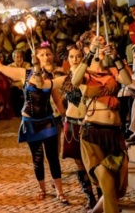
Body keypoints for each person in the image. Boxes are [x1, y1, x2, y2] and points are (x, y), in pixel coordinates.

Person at [0, 42, 69, 204]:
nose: (46, 57)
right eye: (42, 54)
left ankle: (59, 191)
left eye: (48, 54)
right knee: (37, 157)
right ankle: (42, 189)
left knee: (53, 157)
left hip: (47, 120)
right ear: (35, 57)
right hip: (30, 121)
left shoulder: (53, 76)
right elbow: (1, 67)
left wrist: (66, 119)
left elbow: (57, 100)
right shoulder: (24, 73)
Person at [72, 32, 132, 213]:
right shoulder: (84, 71)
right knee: (105, 180)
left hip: (114, 133)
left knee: (115, 188)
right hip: (93, 134)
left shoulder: (113, 71)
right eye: (96, 43)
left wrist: (116, 57)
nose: (101, 46)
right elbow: (73, 82)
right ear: (86, 48)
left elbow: (129, 81)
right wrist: (90, 54)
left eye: (103, 43)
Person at [52, 45, 97, 209]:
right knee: (79, 163)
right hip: (71, 123)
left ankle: (102, 195)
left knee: (93, 161)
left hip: (88, 122)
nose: (75, 59)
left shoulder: (90, 76)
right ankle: (90, 196)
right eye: (72, 56)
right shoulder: (65, 79)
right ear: (68, 59)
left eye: (79, 56)